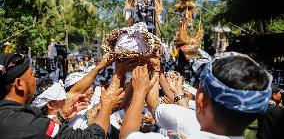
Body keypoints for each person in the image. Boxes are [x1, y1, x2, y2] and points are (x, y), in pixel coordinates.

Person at [120, 53, 272, 139]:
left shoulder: (188, 121)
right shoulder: (187, 119)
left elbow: (127, 135)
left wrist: (140, 91)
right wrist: (157, 71)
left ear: (200, 100)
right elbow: (155, 106)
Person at [0, 53, 122, 138]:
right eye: (32, 74)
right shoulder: (28, 124)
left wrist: (62, 116)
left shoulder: (12, 117)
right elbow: (92, 137)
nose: (35, 79)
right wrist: (106, 106)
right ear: (19, 84)